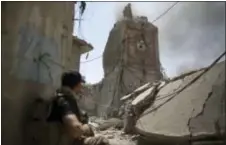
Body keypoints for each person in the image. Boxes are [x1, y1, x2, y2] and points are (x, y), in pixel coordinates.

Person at [47, 70, 109, 145]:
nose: (81, 86)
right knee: (101, 141)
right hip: (66, 141)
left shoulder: (58, 97)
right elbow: (75, 129)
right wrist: (84, 128)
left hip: (56, 139)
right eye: (81, 83)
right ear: (77, 84)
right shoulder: (65, 100)